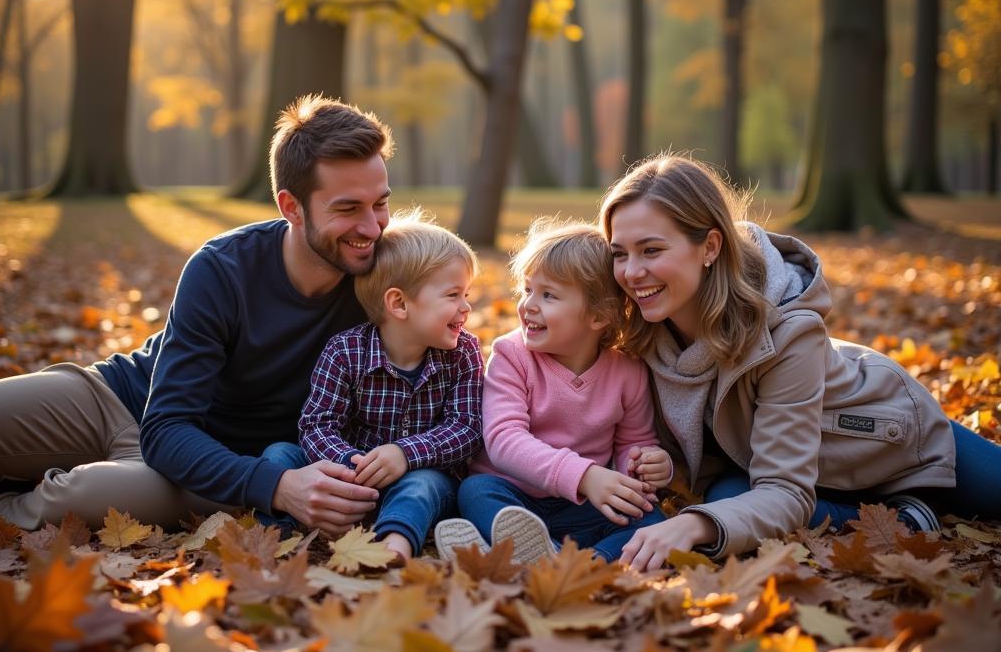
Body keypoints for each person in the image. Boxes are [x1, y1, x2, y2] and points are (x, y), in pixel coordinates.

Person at [0, 95, 396, 534]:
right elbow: (166, 425)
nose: (372, 227)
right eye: (348, 209)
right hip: (123, 399)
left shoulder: (388, 281)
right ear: (291, 207)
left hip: (216, 468)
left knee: (76, 496)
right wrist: (280, 486)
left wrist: (277, 484)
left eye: (380, 203)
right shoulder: (223, 268)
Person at [601, 153, 1001, 571]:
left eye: (651, 250)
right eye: (620, 254)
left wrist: (690, 527)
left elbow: (786, 492)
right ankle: (894, 513)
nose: (631, 273)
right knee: (724, 508)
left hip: (887, 441)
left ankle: (906, 516)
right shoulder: (643, 334)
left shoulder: (788, 331)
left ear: (710, 247)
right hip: (775, 468)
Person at [437, 220, 672, 565]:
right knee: (475, 492)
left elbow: (633, 442)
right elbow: (504, 439)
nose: (528, 305)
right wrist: (585, 476)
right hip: (514, 494)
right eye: (527, 290)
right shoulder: (511, 356)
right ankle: (536, 553)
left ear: (598, 316)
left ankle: (585, 562)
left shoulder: (627, 371)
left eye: (548, 295)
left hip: (581, 505)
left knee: (649, 518)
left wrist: (646, 467)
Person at [259, 212, 483, 562]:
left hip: (416, 476)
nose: (466, 307)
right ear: (399, 304)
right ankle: (280, 539)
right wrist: (349, 465)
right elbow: (317, 425)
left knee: (426, 485)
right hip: (347, 474)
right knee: (278, 456)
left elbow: (466, 427)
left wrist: (406, 454)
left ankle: (394, 546)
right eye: (453, 295)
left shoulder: (463, 352)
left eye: (466, 294)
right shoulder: (345, 351)